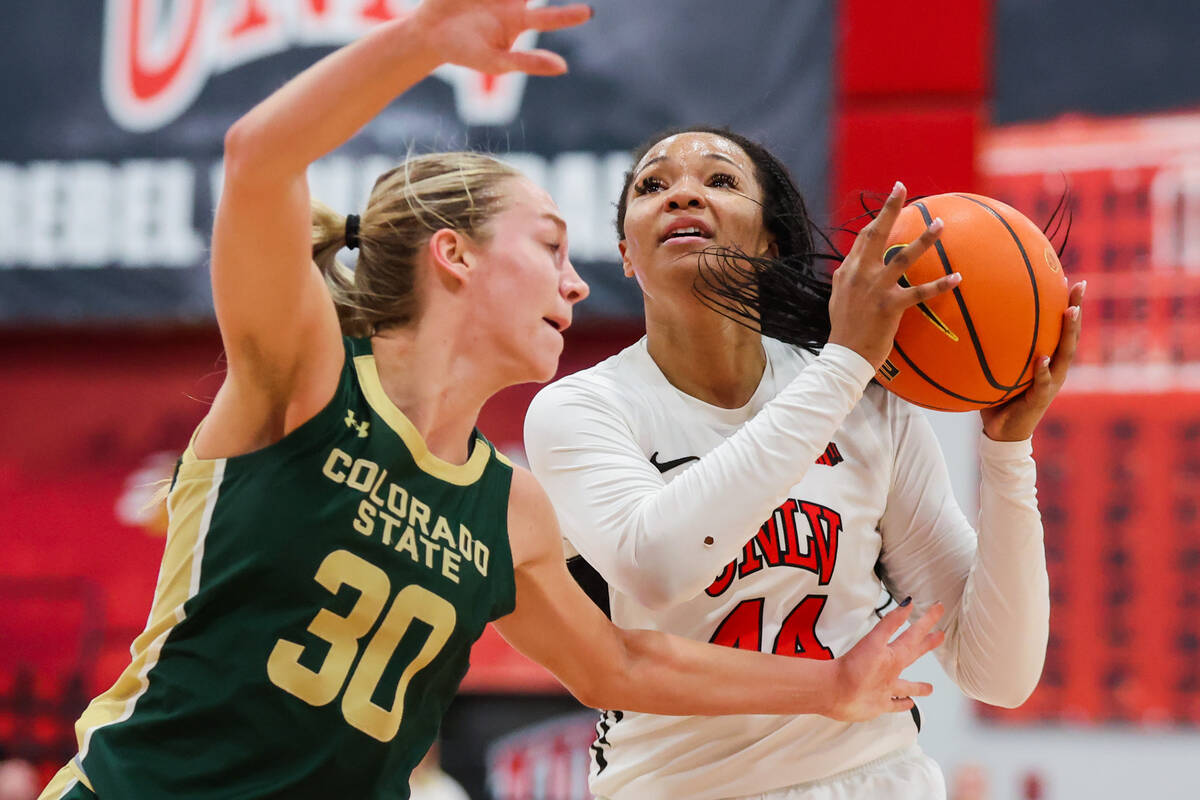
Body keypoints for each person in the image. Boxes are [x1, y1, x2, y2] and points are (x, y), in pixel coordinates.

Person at [38, 7, 948, 800]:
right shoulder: (307, 378)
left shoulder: (506, 506)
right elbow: (258, 158)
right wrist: (422, 39)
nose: (578, 285)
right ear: (456, 255)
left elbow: (621, 665)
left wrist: (831, 689)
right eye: (551, 247)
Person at [524, 126, 1086, 799]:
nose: (682, 195)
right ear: (625, 253)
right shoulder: (581, 410)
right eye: (652, 185)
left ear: (770, 242)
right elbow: (660, 567)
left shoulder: (866, 401)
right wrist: (845, 365)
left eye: (720, 180)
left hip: (870, 775)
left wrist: (1006, 452)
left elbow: (999, 673)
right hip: (679, 785)